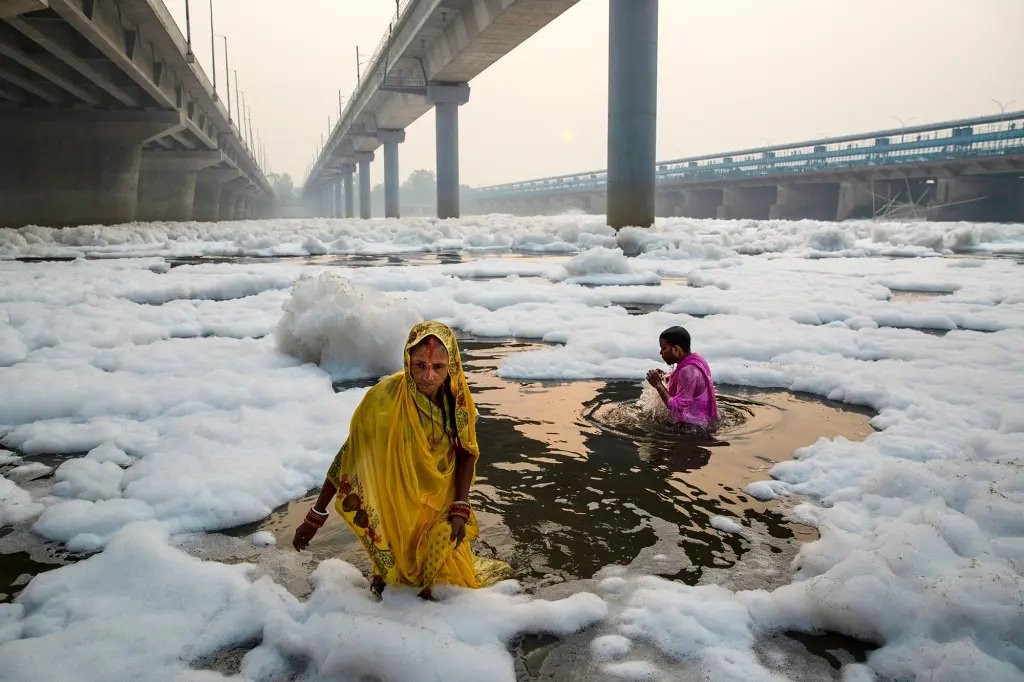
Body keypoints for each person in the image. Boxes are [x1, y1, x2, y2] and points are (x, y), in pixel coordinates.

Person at [292, 321, 509, 597]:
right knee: (396, 581)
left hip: (441, 499)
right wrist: (316, 515)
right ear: (407, 361)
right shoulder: (383, 401)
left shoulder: (457, 400)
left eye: (438, 367)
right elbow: (349, 457)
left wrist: (460, 506)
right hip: (398, 502)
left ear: (451, 365)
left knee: (445, 584)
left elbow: (466, 451)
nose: (428, 376)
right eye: (420, 365)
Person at [645, 326, 719, 429]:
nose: (661, 353)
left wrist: (658, 385)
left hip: (693, 429)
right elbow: (691, 387)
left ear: (676, 349)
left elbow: (678, 410)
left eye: (664, 348)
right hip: (706, 422)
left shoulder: (687, 371)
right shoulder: (697, 360)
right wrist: (667, 377)